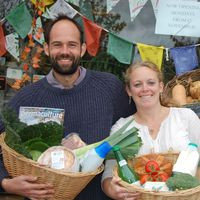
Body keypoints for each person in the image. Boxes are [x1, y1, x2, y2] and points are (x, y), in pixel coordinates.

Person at [0, 15, 136, 200]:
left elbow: (134, 132)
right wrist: (6, 183)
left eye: (72, 44)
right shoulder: (26, 98)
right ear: (46, 48)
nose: (65, 51)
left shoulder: (109, 88)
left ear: (82, 48)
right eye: (57, 44)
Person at [101, 61, 200, 200]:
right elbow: (109, 175)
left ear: (160, 86)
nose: (145, 89)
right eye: (137, 84)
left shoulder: (186, 117)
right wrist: (112, 190)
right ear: (129, 91)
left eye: (151, 83)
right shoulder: (122, 127)